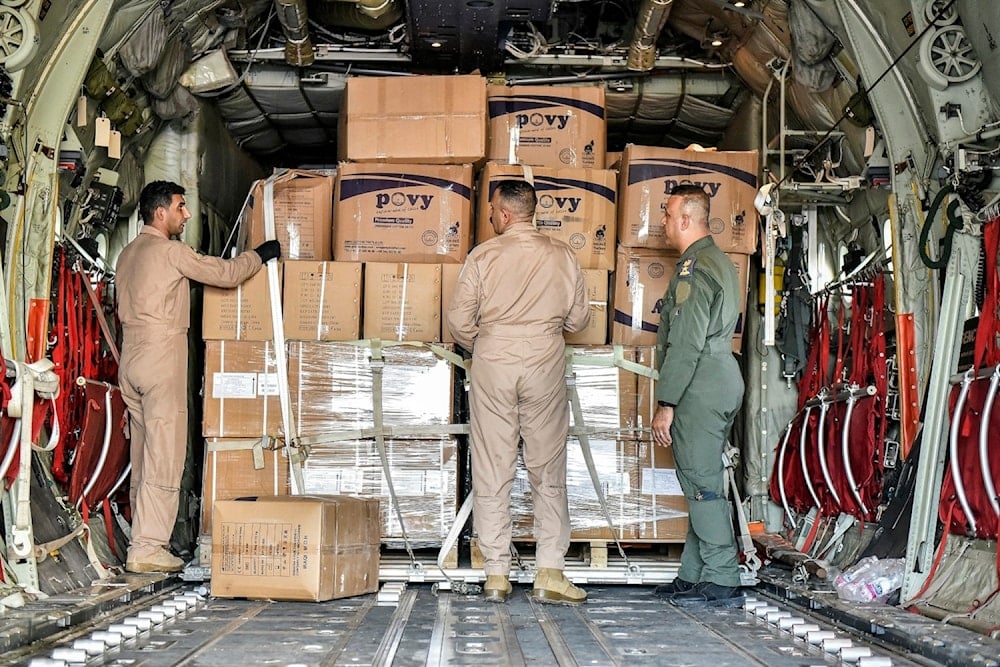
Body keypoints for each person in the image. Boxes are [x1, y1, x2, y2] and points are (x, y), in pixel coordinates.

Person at [116, 180, 280, 573]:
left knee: (142, 455)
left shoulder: (126, 254)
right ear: (161, 213)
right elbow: (222, 273)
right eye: (180, 207)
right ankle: (148, 548)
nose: (186, 214)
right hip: (160, 356)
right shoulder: (171, 252)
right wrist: (259, 256)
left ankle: (142, 538)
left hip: (131, 357)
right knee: (165, 455)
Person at [448, 180, 590, 604]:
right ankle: (549, 571)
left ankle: (496, 575)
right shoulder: (562, 255)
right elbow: (579, 320)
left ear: (506, 214)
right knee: (548, 466)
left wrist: (488, 345)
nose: (491, 217)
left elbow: (458, 320)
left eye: (493, 210)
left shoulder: (483, 255)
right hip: (544, 360)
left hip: (493, 360)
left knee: (493, 465)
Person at [649, 184, 746, 607]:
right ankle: (693, 574)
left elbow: (686, 342)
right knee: (697, 480)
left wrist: (666, 402)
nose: (664, 223)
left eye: (668, 216)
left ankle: (723, 577)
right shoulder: (717, 262)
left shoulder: (694, 269)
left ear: (686, 219)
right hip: (720, 376)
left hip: (700, 384)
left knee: (703, 485)